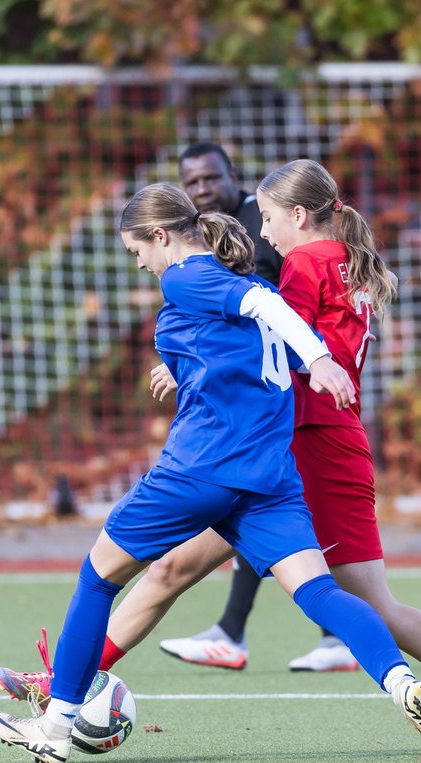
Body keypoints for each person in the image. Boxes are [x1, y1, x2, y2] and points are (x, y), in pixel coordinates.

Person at [0, 161, 421, 761]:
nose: (266, 233)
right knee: (172, 572)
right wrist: (193, 359)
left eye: (271, 218)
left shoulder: (306, 264)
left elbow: (271, 324)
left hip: (300, 450)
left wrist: (193, 357)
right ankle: (64, 685)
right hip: (312, 446)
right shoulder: (342, 260)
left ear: (299, 216)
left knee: (360, 602)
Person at [167, 141, 356, 673]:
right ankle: (310, 633)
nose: (202, 187)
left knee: (257, 509)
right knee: (271, 513)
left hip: (285, 396)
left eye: (210, 177)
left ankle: (245, 633)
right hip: (287, 397)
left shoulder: (277, 240)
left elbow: (267, 305)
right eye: (192, 180)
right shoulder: (222, 233)